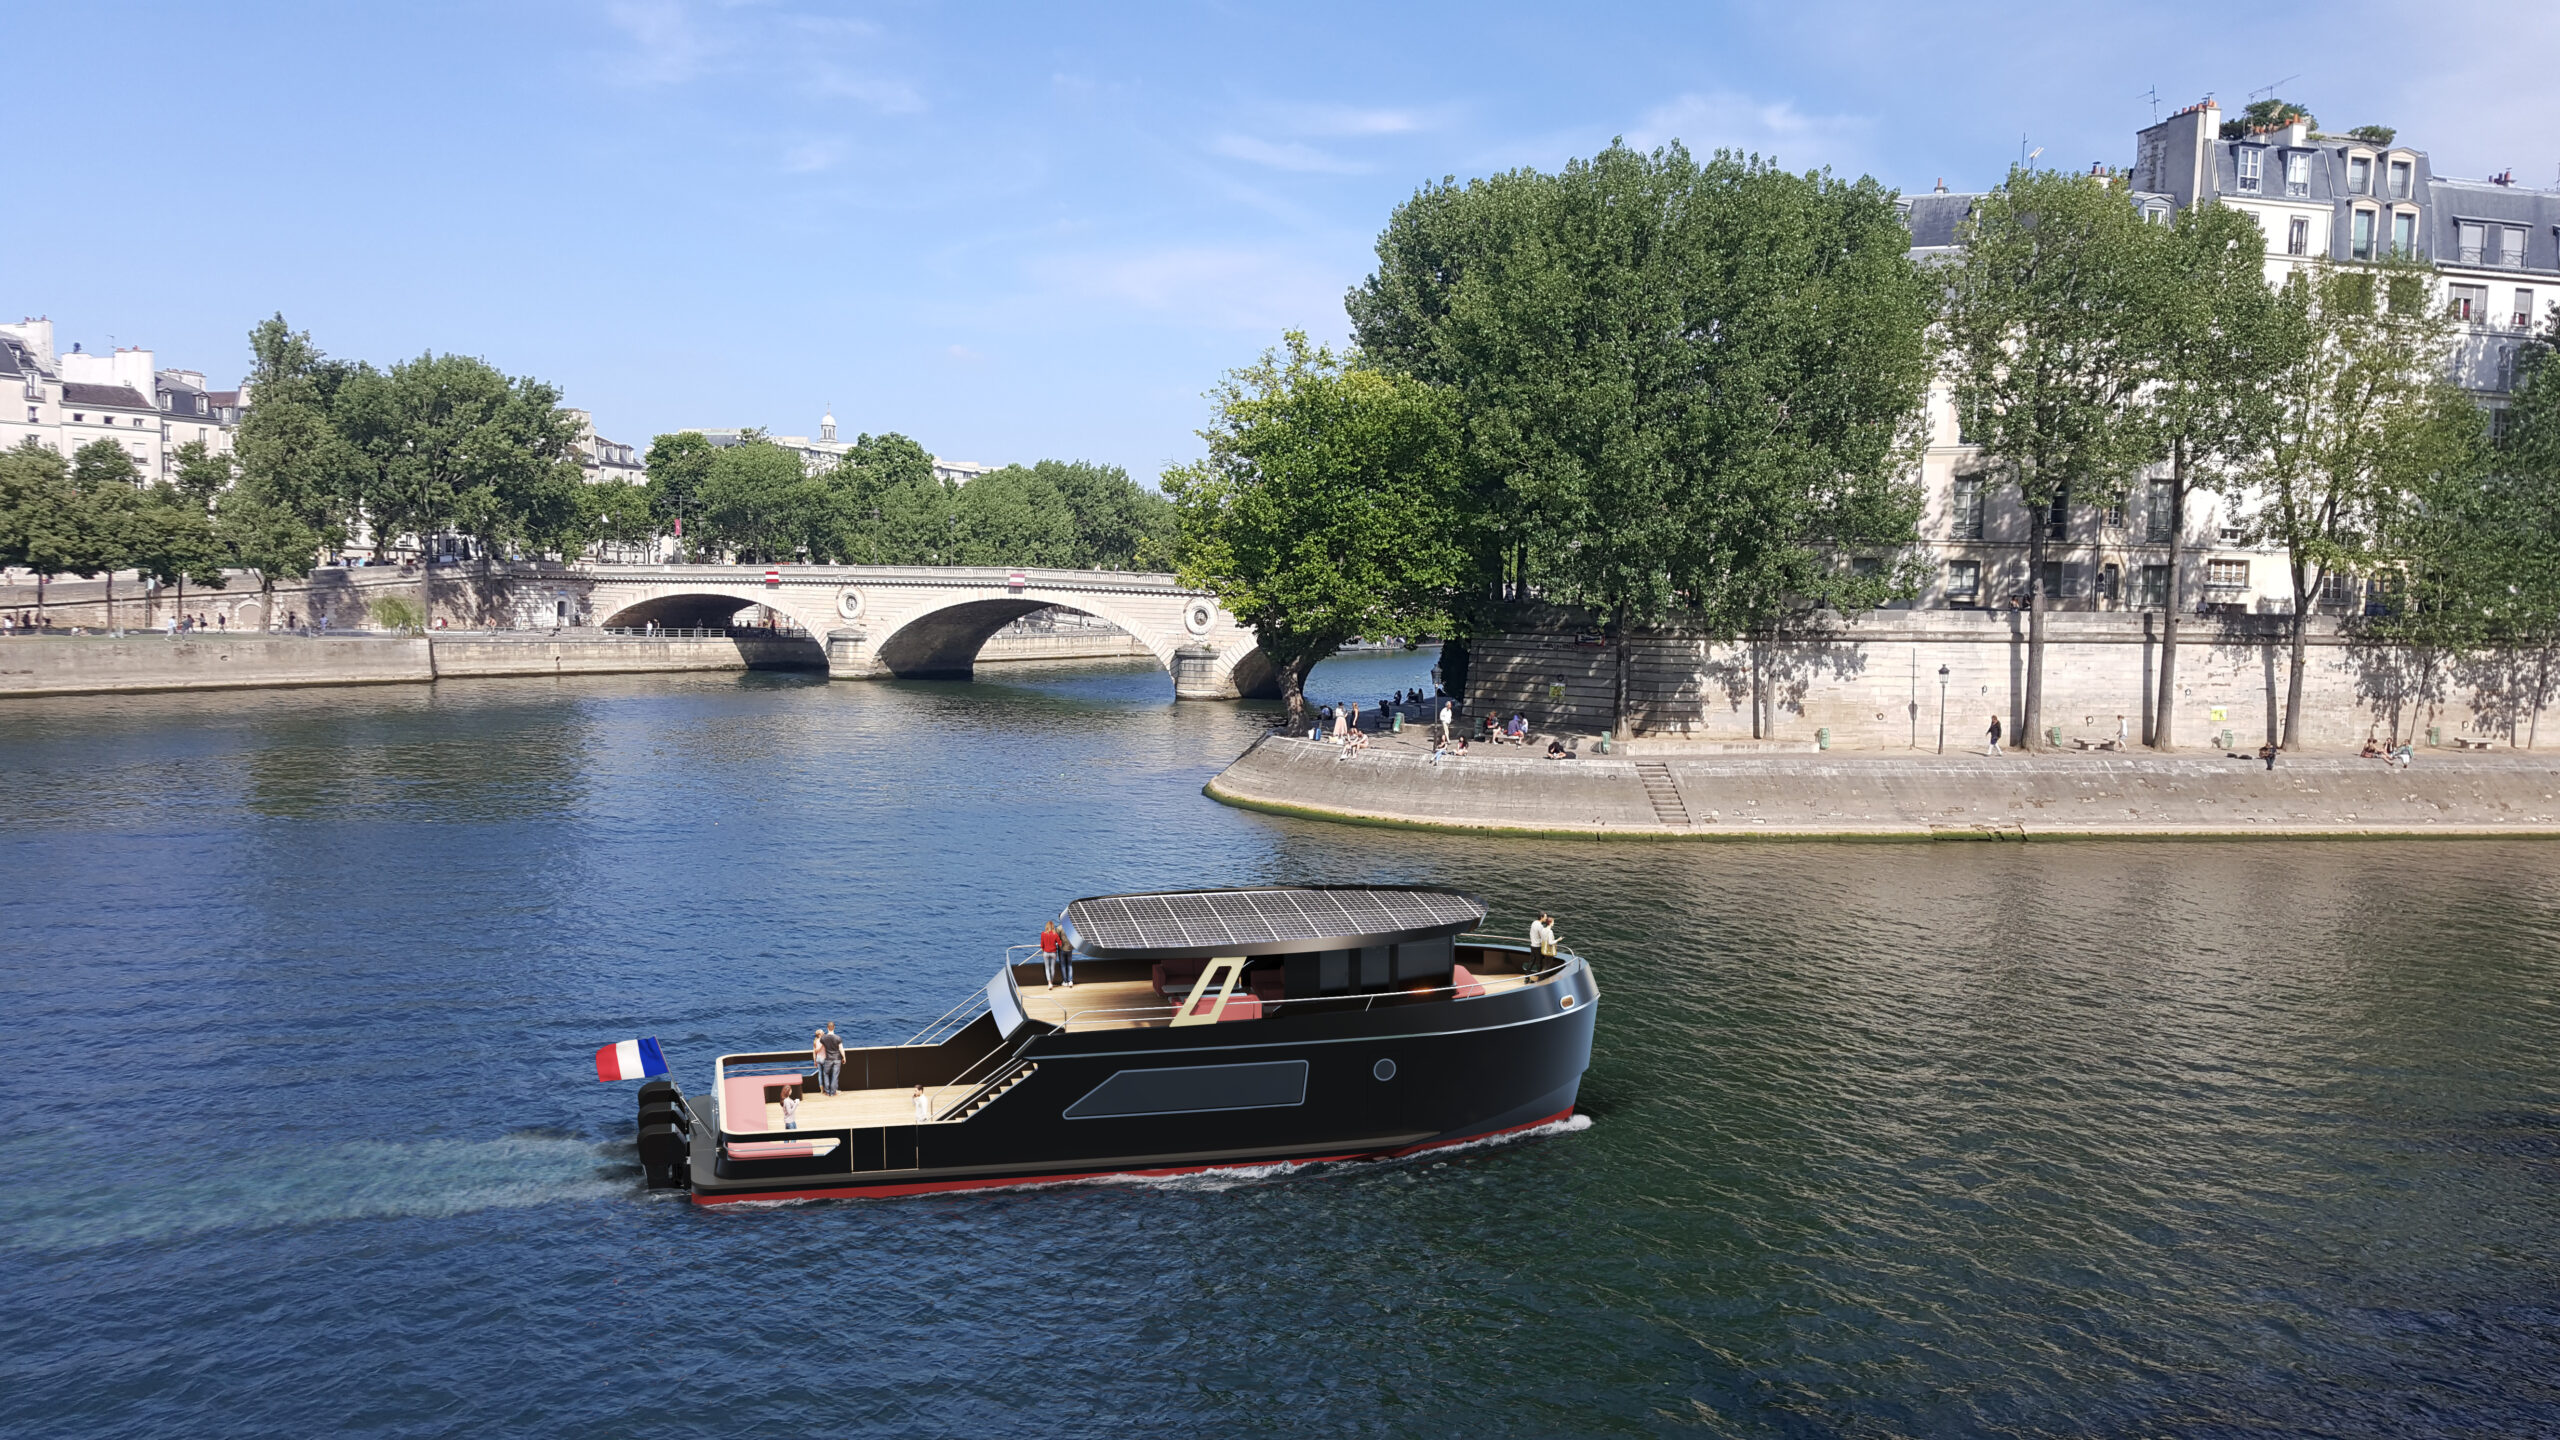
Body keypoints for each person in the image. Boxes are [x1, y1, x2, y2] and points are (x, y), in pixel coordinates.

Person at [820, 1022, 843, 1095]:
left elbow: (822, 1048)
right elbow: (841, 1049)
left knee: (826, 1074)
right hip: (837, 1058)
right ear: (834, 1027)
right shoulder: (838, 1037)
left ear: (827, 1028)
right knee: (835, 1075)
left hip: (828, 1059)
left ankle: (827, 1091)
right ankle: (833, 1092)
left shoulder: (823, 1038)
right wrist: (844, 1057)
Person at [1039, 919, 1065, 988]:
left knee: (1047, 968)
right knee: (1052, 968)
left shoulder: (1043, 934)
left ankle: (1049, 983)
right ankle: (1052, 982)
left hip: (1046, 953)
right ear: (1053, 927)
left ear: (1046, 927)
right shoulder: (1055, 935)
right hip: (1053, 953)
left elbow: (1042, 945)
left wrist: (1043, 951)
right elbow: (1060, 943)